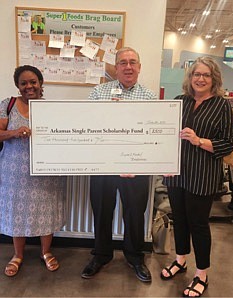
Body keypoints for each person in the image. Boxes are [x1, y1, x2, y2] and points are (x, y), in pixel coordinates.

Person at [160, 57, 233, 297]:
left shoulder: (222, 106)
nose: (200, 79)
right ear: (189, 77)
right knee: (179, 219)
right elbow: (165, 135)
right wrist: (162, 161)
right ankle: (180, 259)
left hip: (202, 174)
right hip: (176, 173)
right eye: (196, 74)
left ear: (214, 79)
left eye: (206, 75)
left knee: (199, 224)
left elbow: (227, 144)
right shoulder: (179, 102)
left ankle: (201, 273)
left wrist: (199, 141)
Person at [81, 47, 157, 282]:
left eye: (133, 62)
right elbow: (89, 127)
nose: (128, 67)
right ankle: (101, 255)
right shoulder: (98, 92)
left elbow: (154, 133)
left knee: (135, 214)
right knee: (102, 211)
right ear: (115, 67)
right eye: (123, 62)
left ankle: (135, 258)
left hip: (136, 168)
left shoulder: (150, 97)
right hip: (103, 166)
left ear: (140, 67)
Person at [0, 65, 66, 276]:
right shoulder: (7, 105)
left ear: (40, 83)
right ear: (18, 86)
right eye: (24, 83)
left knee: (45, 209)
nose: (29, 86)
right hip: (14, 171)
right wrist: (14, 132)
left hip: (44, 172)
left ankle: (46, 252)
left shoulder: (49, 109)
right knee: (17, 211)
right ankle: (17, 255)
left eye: (33, 82)